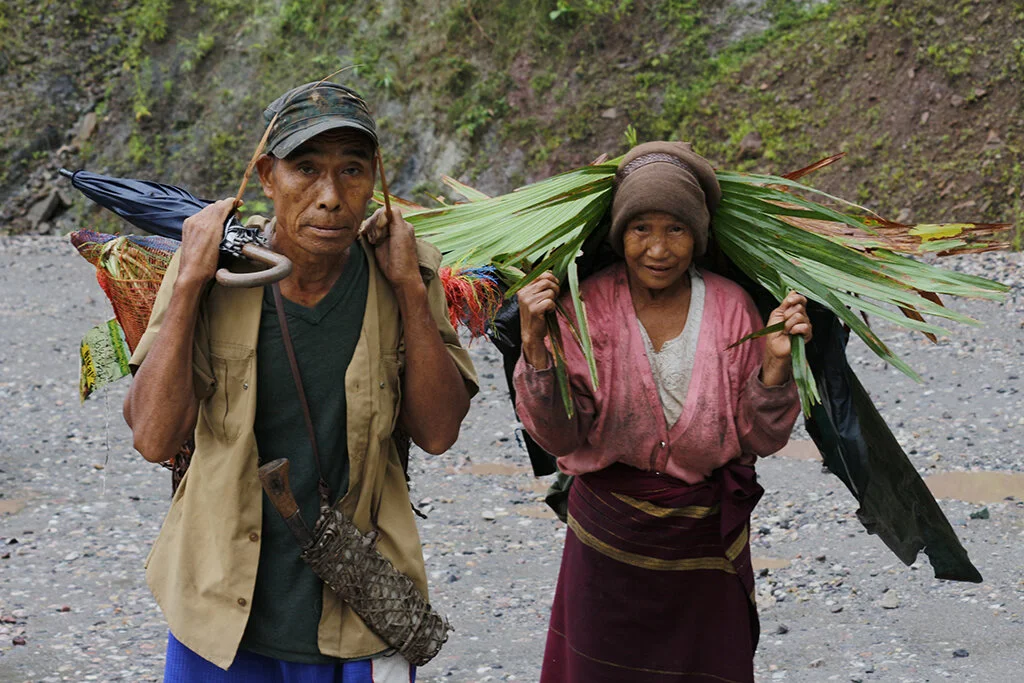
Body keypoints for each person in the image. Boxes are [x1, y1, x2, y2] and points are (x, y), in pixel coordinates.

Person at [123, 81, 478, 681]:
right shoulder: (215, 276)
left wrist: (410, 291)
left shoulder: (402, 276)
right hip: (219, 608)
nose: (331, 198)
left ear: (375, 179)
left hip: (358, 605)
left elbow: (439, 432)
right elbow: (154, 438)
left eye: (352, 171)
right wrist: (187, 284)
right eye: (306, 169)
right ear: (267, 176)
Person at [513, 141, 812, 683]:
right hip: (608, 536)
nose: (657, 248)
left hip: (701, 539)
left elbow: (761, 438)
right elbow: (560, 437)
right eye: (640, 228)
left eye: (676, 228)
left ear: (698, 236)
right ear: (619, 235)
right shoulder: (586, 308)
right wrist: (535, 346)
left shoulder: (732, 308)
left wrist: (773, 368)